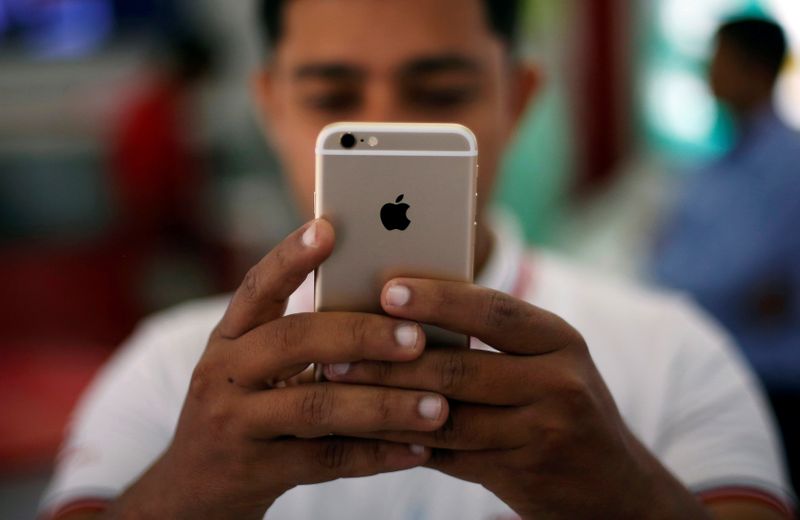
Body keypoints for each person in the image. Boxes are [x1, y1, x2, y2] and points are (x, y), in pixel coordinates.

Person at [41, 2, 794, 518]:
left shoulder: (677, 353)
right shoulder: (172, 373)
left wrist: (625, 498)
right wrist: (190, 488)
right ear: (269, 106)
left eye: (439, 92)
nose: (385, 126)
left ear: (519, 99)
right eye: (332, 92)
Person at [651, 17, 800, 492]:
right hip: (719, 368)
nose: (707, 72)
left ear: (754, 70)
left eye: (718, 59)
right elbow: (660, 257)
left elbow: (748, 278)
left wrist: (679, 283)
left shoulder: (788, 165)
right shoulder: (715, 164)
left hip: (774, 385)